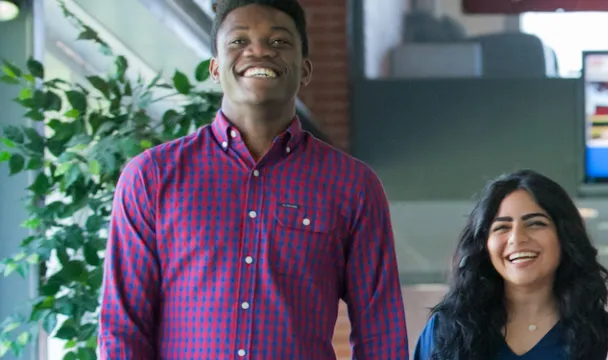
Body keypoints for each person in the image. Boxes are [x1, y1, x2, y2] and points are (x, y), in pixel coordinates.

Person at [98, 0, 408, 358]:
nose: (259, 51)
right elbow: (123, 327)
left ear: (305, 70)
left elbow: (380, 331)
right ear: (215, 68)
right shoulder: (151, 177)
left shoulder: (352, 185)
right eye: (239, 41)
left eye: (279, 42)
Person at [413, 170, 608, 360]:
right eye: (502, 227)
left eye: (536, 223)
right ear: (484, 244)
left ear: (565, 237)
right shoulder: (446, 330)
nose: (517, 239)